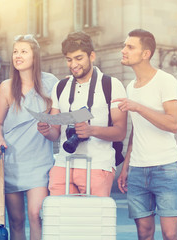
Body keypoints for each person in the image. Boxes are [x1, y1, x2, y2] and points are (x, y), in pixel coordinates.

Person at [37, 31, 127, 197]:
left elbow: (121, 132)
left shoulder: (111, 85)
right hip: (64, 163)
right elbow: (55, 132)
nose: (73, 65)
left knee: (92, 221)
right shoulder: (61, 86)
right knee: (60, 219)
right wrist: (46, 130)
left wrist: (91, 131)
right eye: (69, 59)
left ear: (91, 56)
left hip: (97, 165)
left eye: (79, 58)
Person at [114, 29, 177, 240]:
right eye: (125, 45)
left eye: (130, 47)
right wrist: (125, 167)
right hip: (137, 170)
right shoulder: (130, 87)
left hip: (165, 167)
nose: (124, 50)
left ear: (146, 54)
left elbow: (173, 123)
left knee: (171, 235)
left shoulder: (166, 80)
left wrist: (138, 107)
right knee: (144, 233)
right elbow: (137, 129)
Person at [0, 34, 58, 240]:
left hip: (40, 161)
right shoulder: (6, 87)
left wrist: (48, 130)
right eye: (15, 52)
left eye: (23, 51)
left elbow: (56, 130)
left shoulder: (51, 83)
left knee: (37, 215)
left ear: (35, 56)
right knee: (16, 220)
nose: (17, 56)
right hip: (12, 161)